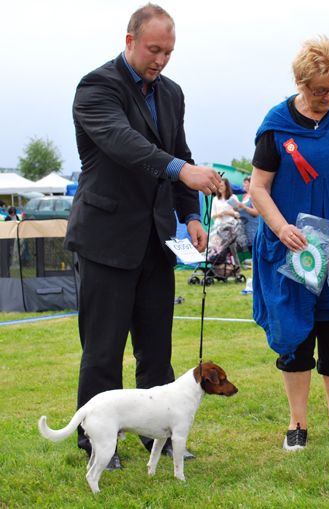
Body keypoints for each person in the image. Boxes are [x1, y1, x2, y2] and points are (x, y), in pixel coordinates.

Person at [64, 3, 222, 469]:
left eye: (169, 52)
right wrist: (182, 170)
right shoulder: (96, 87)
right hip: (105, 240)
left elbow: (180, 152)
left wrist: (190, 215)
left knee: (157, 352)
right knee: (103, 351)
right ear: (130, 40)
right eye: (154, 50)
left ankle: (162, 438)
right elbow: (124, 143)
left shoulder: (171, 93)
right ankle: (96, 441)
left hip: (156, 241)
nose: (161, 60)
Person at [250, 35, 329, 451]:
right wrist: (281, 227)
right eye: (319, 90)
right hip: (294, 251)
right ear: (300, 83)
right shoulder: (276, 123)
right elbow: (258, 187)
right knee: (296, 335)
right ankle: (297, 424)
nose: (328, 97)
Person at [237, 176, 260, 253]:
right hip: (245, 229)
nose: (243, 184)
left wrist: (243, 206)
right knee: (250, 249)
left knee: (255, 250)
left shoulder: (254, 196)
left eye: (246, 183)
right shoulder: (245, 196)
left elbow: (256, 212)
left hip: (253, 228)